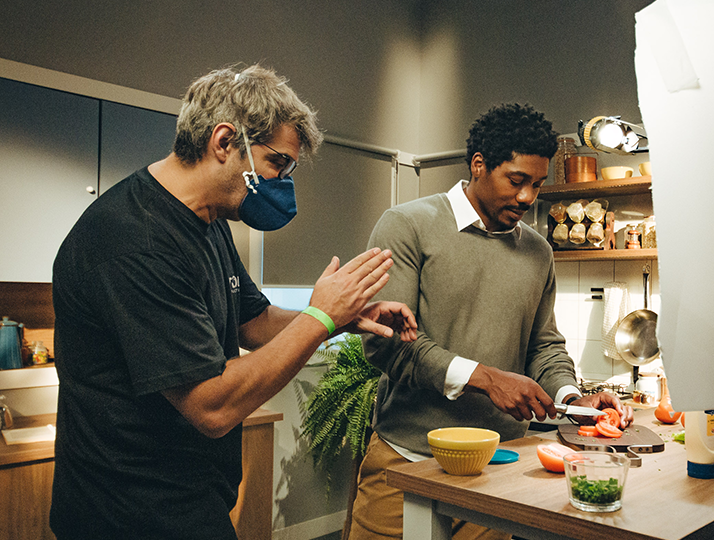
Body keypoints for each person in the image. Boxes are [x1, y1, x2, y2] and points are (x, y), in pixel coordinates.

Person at [49, 64, 417, 540]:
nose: (283, 182)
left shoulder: (208, 220)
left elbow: (254, 320)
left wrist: (345, 317)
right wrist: (320, 317)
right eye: (278, 164)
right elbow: (212, 406)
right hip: (127, 510)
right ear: (225, 142)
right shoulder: (134, 240)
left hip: (189, 496)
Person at [349, 103, 633, 540]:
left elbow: (545, 346)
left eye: (537, 185)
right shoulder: (408, 225)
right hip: (407, 459)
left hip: (500, 467)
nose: (527, 198)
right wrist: (486, 378)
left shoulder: (538, 251)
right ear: (478, 165)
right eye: (516, 181)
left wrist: (575, 398)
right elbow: (389, 343)